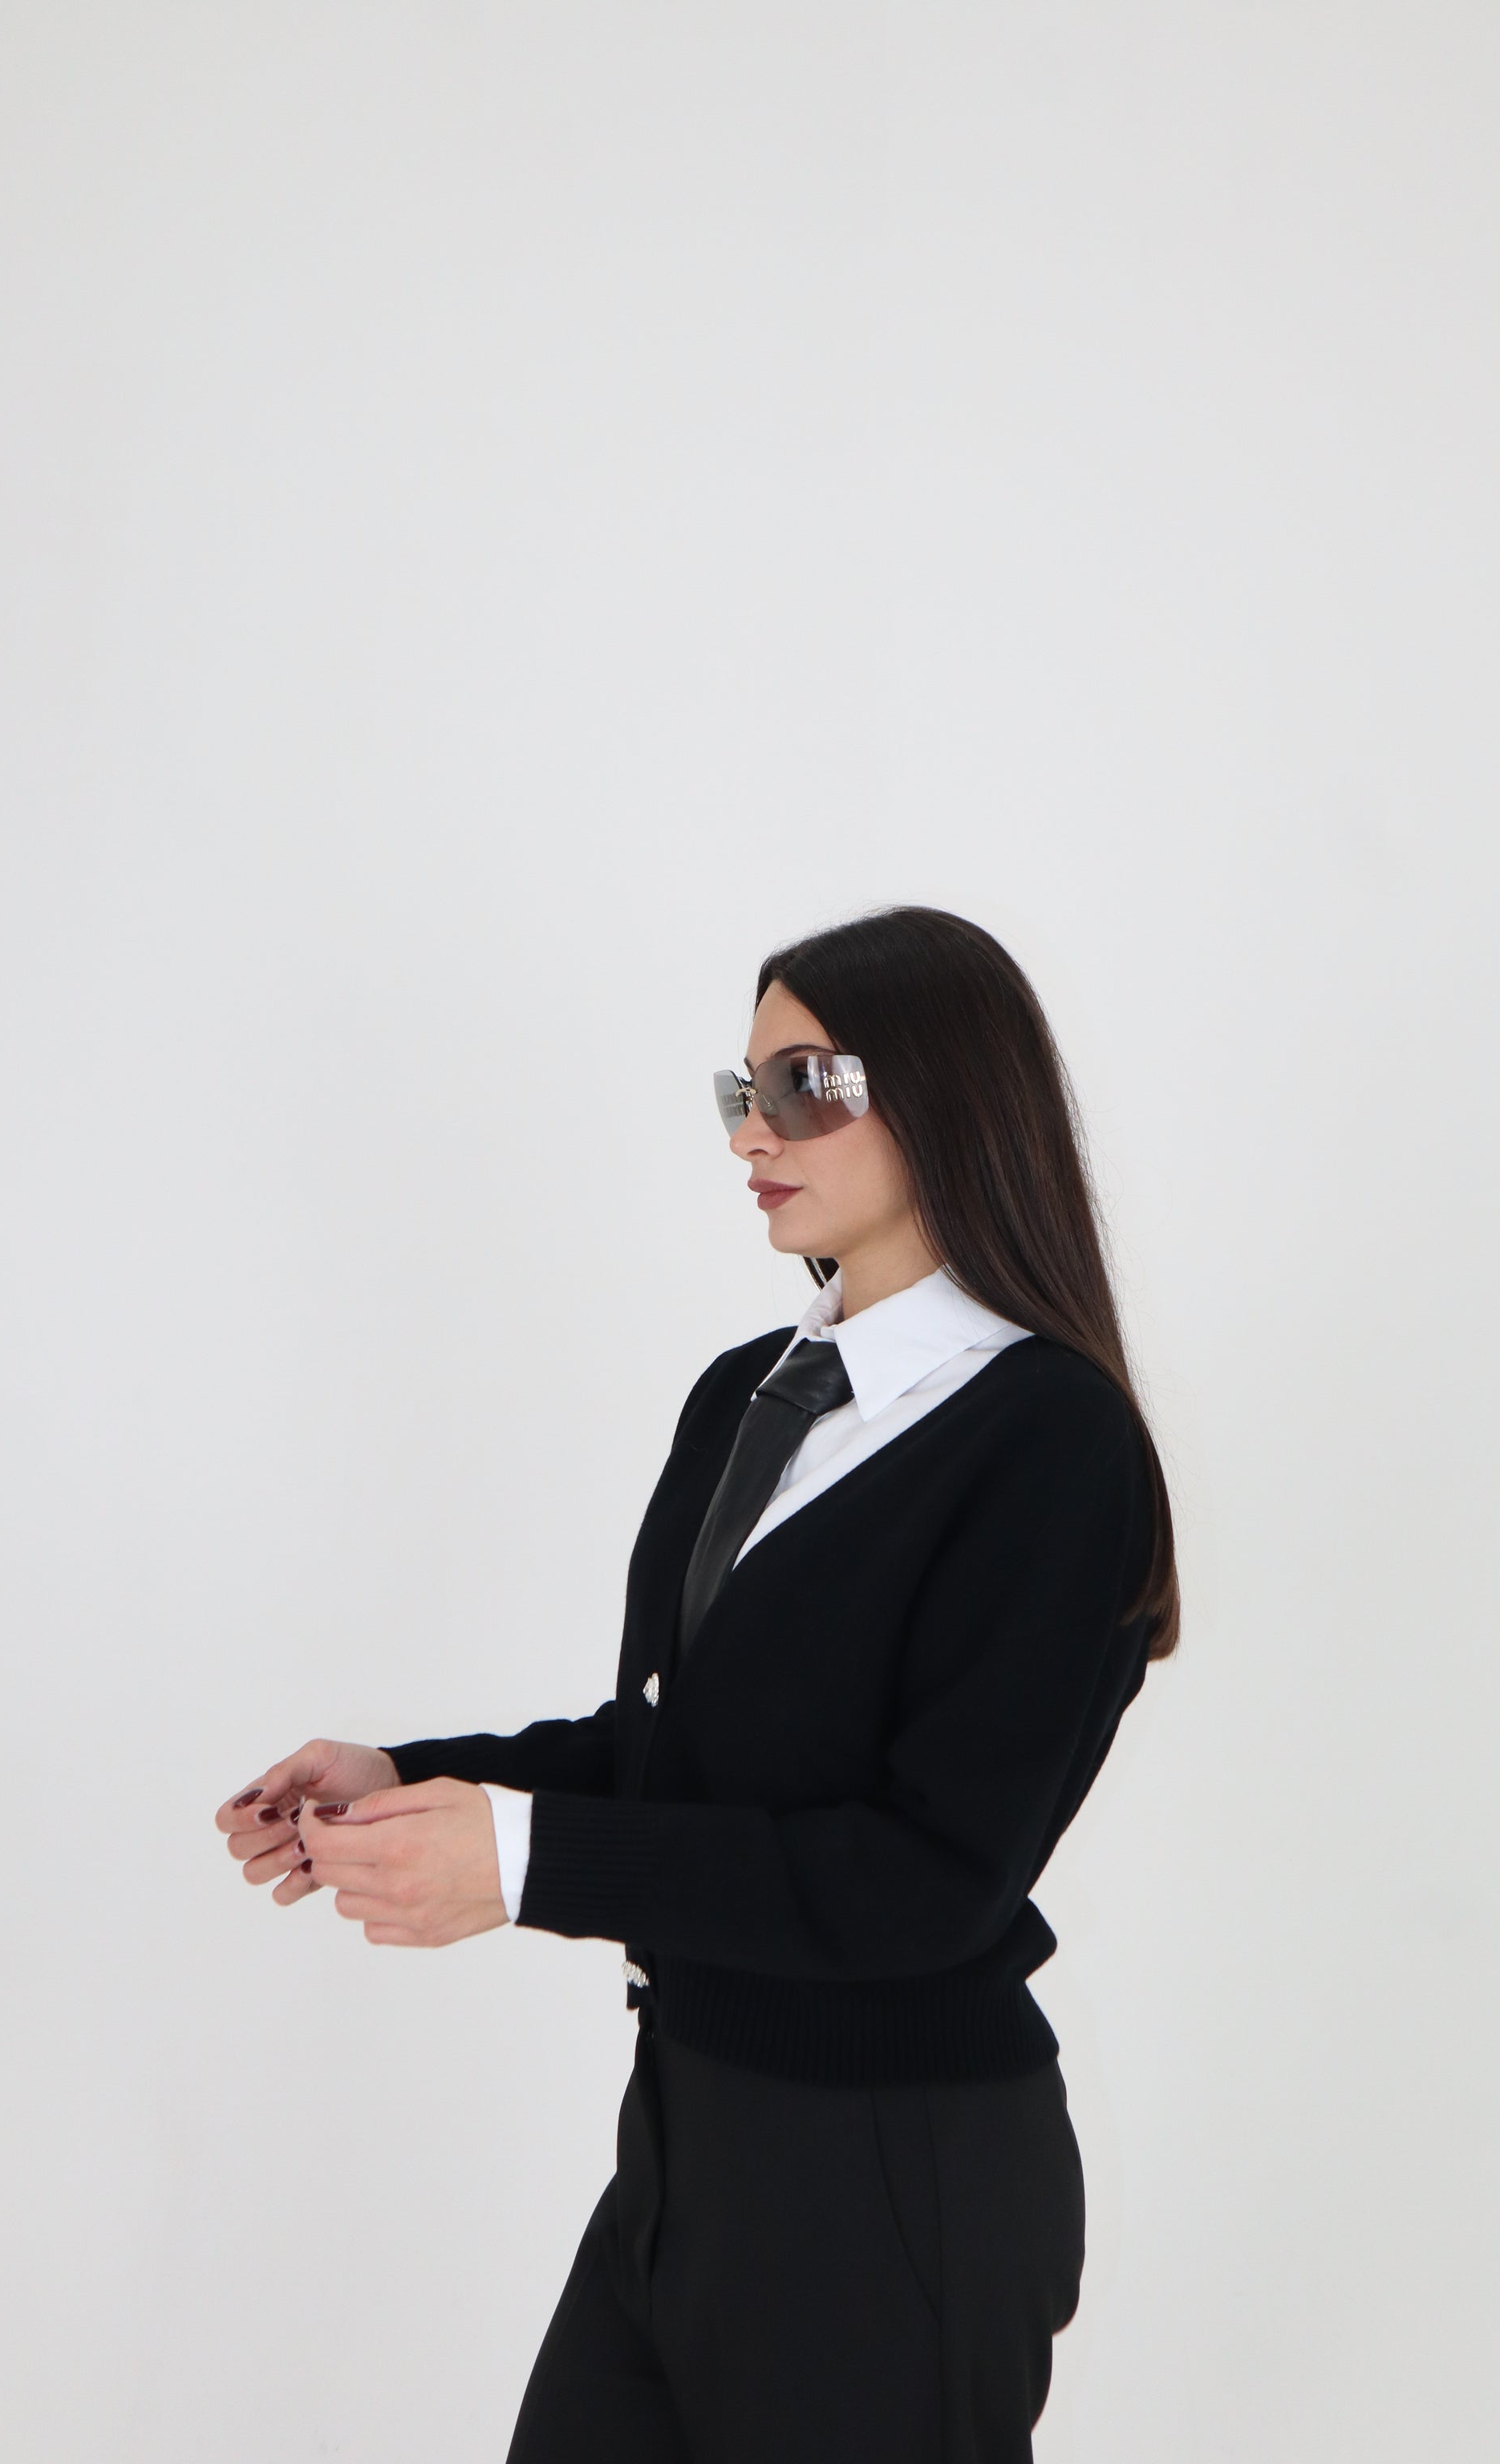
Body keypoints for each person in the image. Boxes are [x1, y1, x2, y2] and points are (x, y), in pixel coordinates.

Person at [215, 904, 1178, 2464]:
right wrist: (413, 1778)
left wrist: (525, 1863)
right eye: (742, 1091)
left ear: (946, 1092)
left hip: (892, 2180)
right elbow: (678, 1752)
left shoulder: (1051, 1442)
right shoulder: (750, 1396)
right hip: (687, 2140)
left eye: (805, 1086)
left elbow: (927, 1880)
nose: (752, 1134)